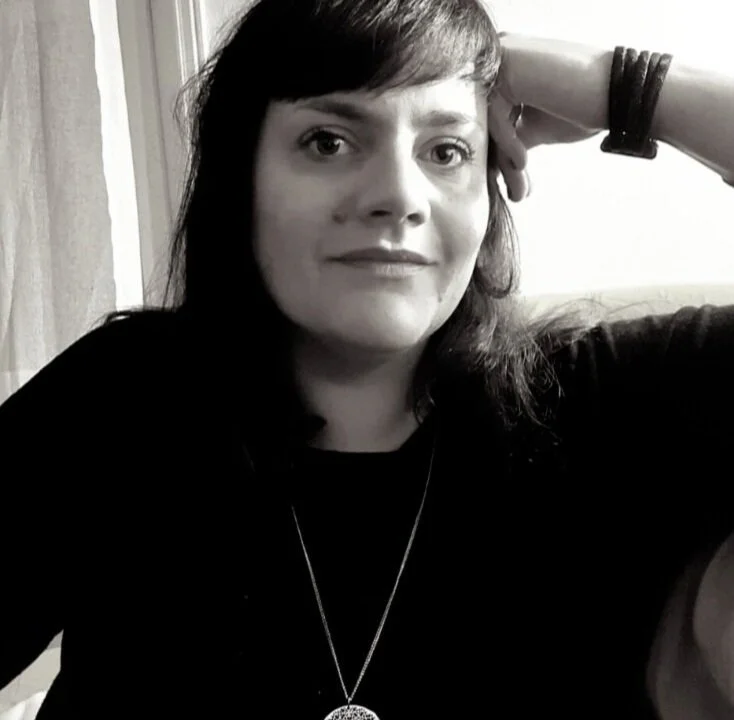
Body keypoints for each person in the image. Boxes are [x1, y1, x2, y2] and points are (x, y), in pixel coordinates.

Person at [1, 0, 732, 718]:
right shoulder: (126, 399)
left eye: (446, 151)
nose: (398, 196)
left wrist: (626, 88)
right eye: (328, 141)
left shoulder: (595, 402)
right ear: (240, 177)